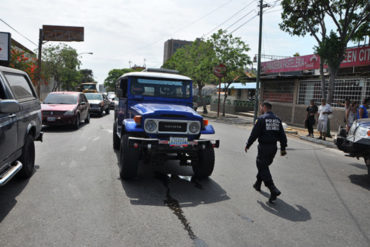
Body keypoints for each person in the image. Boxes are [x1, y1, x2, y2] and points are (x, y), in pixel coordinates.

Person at [245, 102, 287, 203]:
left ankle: (273, 189)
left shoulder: (261, 119)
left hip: (264, 147)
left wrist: (248, 144)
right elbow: (282, 135)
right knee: (263, 166)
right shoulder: (277, 119)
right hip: (273, 148)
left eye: (261, 107)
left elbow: (254, 133)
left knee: (261, 166)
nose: (260, 109)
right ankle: (258, 184)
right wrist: (283, 148)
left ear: (264, 107)